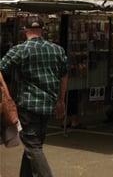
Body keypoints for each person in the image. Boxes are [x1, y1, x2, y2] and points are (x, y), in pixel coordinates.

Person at [0, 20, 68, 177]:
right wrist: (61, 100)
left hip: (28, 105)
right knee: (33, 144)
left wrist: (7, 94)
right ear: (42, 30)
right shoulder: (57, 50)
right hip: (48, 104)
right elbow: (64, 76)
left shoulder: (20, 50)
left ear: (25, 30)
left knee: (33, 146)